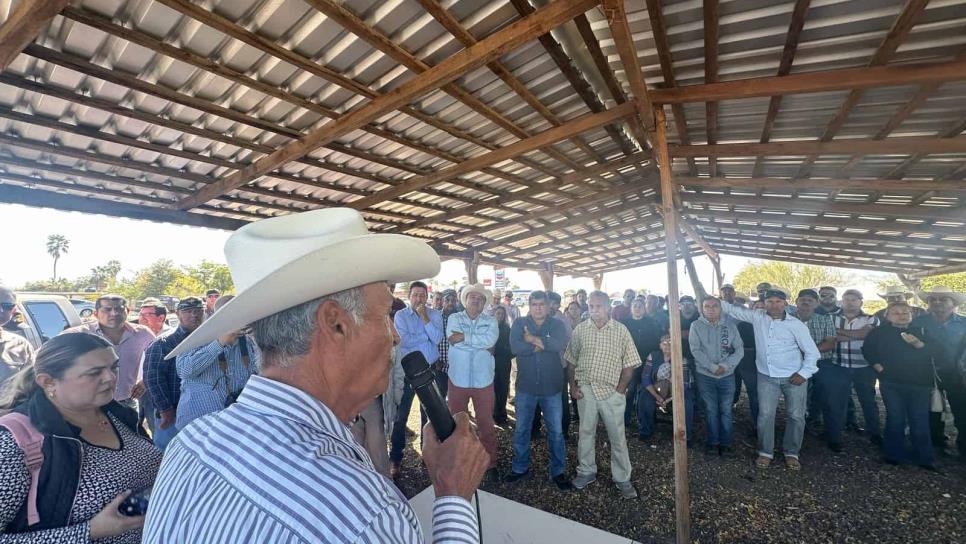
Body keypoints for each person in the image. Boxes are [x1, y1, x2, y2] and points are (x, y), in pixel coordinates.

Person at [144, 208, 488, 543]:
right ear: (335, 324)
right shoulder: (364, 514)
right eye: (384, 315)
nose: (395, 336)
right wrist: (453, 495)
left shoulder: (191, 443)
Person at [0, 332, 162, 542]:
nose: (111, 378)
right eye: (94, 373)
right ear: (48, 382)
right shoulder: (16, 442)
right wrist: (89, 531)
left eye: (113, 367)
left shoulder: (118, 413)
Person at [720, 289, 820, 470]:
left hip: (794, 376)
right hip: (766, 376)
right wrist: (709, 298)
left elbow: (813, 353)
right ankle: (765, 452)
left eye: (778, 302)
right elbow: (732, 310)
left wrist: (804, 373)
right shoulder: (757, 317)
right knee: (766, 415)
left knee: (796, 416)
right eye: (770, 302)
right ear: (764, 304)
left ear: (785, 304)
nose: (774, 305)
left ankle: (791, 452)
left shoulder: (796, 325)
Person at [566, 291, 641, 499]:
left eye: (598, 306)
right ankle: (586, 471)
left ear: (608, 308)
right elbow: (571, 362)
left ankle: (622, 478)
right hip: (586, 390)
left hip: (611, 392)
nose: (594, 310)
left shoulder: (621, 331)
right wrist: (573, 386)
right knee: (586, 432)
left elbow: (630, 364)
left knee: (617, 437)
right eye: (591, 306)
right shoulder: (580, 330)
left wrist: (620, 390)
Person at [505, 291, 573, 490]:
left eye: (541, 304)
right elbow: (515, 347)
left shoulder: (557, 325)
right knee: (521, 429)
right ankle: (520, 467)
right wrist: (540, 344)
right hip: (526, 387)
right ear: (529, 305)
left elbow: (558, 344)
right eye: (534, 304)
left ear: (548, 305)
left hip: (552, 387)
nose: (538, 308)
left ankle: (558, 471)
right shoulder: (519, 324)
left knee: (556, 432)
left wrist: (531, 339)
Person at [863, 303, 936, 469]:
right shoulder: (879, 332)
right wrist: (878, 366)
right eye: (895, 313)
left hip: (920, 383)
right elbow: (868, 349)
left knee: (919, 419)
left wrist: (919, 344)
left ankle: (924, 457)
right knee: (895, 417)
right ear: (887, 316)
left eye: (905, 312)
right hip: (891, 382)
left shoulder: (922, 331)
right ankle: (893, 454)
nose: (901, 315)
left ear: (912, 314)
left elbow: (936, 352)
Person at [175, 295, 260, 431]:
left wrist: (256, 338)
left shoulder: (248, 340)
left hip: (234, 424)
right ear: (217, 316)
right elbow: (184, 371)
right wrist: (219, 343)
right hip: (199, 425)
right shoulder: (199, 337)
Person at [389, 281, 444, 480]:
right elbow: (403, 341)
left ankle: (427, 454)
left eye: (422, 295)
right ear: (409, 296)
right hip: (407, 372)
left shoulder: (435, 314)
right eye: (415, 295)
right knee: (401, 416)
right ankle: (395, 458)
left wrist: (424, 318)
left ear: (427, 297)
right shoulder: (401, 315)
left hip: (429, 371)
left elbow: (437, 339)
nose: (419, 299)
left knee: (429, 415)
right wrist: (425, 337)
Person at [64, 294, 155, 410]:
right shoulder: (78, 334)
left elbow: (159, 361)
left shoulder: (142, 334)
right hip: (89, 404)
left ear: (128, 311)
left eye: (119, 309)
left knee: (128, 429)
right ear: (96, 314)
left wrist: (145, 381)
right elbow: (47, 358)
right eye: (107, 309)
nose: (114, 313)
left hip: (126, 402)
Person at [446, 283, 500, 474]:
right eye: (472, 297)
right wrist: (478, 341)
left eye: (480, 298)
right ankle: (459, 461)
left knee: (486, 422)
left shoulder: (491, 321)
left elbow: (491, 341)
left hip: (483, 380)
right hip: (457, 379)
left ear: (484, 303)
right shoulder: (454, 318)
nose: (476, 300)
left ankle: (490, 461)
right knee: (457, 422)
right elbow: (453, 340)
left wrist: (465, 338)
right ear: (466, 299)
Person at [142, 297, 205, 451]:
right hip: (173, 415)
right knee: (168, 455)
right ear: (177, 314)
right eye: (187, 311)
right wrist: (166, 411)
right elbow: (153, 380)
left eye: (198, 311)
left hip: (201, 412)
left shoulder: (209, 340)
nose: (194, 315)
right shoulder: (163, 343)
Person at [911, 285, 966, 455]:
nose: (937, 302)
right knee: (932, 410)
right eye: (933, 299)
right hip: (927, 373)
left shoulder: (964, 323)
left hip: (958, 374)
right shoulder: (918, 322)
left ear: (953, 303)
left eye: (943, 299)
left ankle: (963, 446)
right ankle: (935, 443)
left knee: (962, 410)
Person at [827, 289, 882, 450]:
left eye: (854, 299)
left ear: (861, 302)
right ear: (841, 301)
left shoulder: (872, 318)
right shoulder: (831, 318)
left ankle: (875, 433)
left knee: (868, 402)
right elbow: (831, 337)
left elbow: (864, 334)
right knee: (837, 403)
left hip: (864, 367)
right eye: (846, 299)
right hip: (839, 366)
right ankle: (835, 437)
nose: (850, 302)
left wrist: (839, 333)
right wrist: (858, 335)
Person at [690, 297, 743, 457]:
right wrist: (712, 367)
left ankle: (726, 443)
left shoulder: (731, 326)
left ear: (721, 308)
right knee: (711, 409)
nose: (711, 309)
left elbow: (739, 349)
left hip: (727, 375)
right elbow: (695, 350)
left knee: (726, 409)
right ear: (702, 309)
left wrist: (725, 366)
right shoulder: (696, 326)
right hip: (705, 375)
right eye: (707, 306)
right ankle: (713, 442)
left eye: (715, 306)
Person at [794, 289, 838, 440]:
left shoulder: (825, 319)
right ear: (796, 302)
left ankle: (829, 432)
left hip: (821, 362)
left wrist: (809, 352)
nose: (806, 302)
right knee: (798, 395)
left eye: (810, 300)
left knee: (826, 393)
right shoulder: (788, 319)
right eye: (802, 299)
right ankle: (800, 425)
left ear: (816, 303)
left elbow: (830, 342)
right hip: (794, 363)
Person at [638, 335, 695, 444]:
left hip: (676, 391)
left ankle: (686, 435)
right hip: (655, 389)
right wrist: (657, 397)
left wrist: (668, 400)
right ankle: (646, 430)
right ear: (660, 346)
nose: (667, 345)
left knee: (686, 403)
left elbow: (685, 384)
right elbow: (646, 378)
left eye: (670, 342)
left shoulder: (681, 359)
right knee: (644, 398)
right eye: (664, 343)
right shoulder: (653, 356)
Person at [620, 297, 663, 427]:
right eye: (635, 306)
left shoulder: (651, 323)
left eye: (640, 306)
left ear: (644, 308)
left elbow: (656, 342)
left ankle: (645, 421)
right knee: (630, 391)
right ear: (631, 308)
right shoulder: (624, 323)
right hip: (630, 363)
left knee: (646, 391)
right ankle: (625, 420)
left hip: (647, 362)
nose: (637, 308)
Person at [0, 286, 34, 388]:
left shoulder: (21, 345)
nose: (0, 310)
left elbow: (30, 385)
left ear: (14, 310)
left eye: (7, 306)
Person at [492, 306, 513, 425]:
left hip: (504, 362)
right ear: (494, 314)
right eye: (498, 313)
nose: (500, 316)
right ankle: (494, 413)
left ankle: (502, 413)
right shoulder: (489, 328)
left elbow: (511, 347)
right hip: (492, 362)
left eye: (502, 314)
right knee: (493, 388)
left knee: (503, 388)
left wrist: (505, 353)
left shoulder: (507, 329)